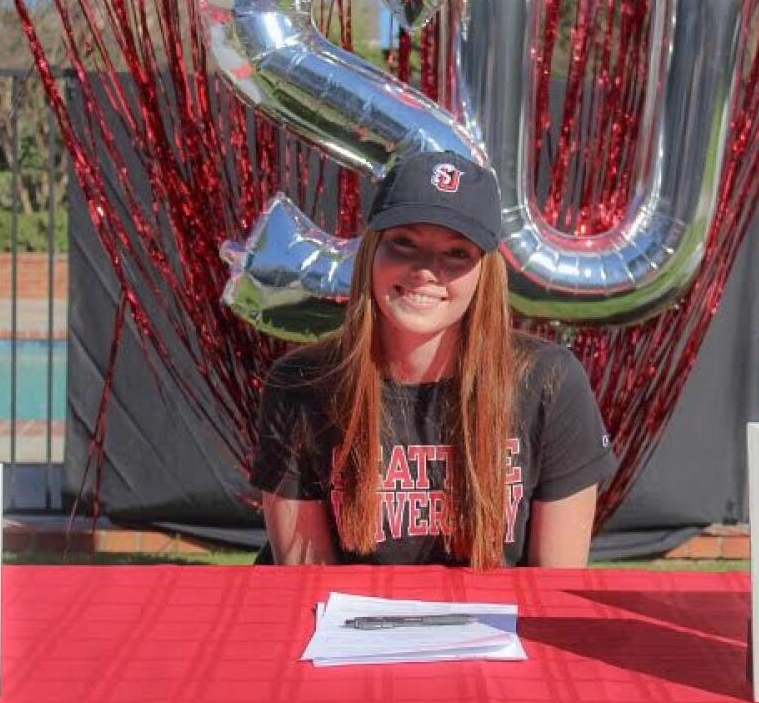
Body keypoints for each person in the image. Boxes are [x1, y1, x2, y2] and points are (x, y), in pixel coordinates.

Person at [250, 151, 616, 569]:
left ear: (486, 272)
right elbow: (305, 584)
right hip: (352, 630)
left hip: (490, 630)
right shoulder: (301, 383)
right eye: (404, 243)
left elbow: (554, 587)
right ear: (372, 251)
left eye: (457, 253)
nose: (426, 270)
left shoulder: (547, 380)